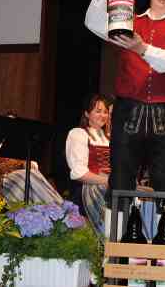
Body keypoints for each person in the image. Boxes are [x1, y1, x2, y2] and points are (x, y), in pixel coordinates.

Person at [85, 0, 165, 211]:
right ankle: (116, 238)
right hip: (128, 111)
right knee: (120, 184)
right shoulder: (128, 20)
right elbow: (92, 22)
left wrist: (142, 48)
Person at [65, 94, 111, 236]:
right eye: (98, 111)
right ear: (86, 113)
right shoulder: (78, 134)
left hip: (108, 191)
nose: (103, 115)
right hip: (87, 193)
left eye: (105, 112)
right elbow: (79, 173)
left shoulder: (110, 138)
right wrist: (108, 180)